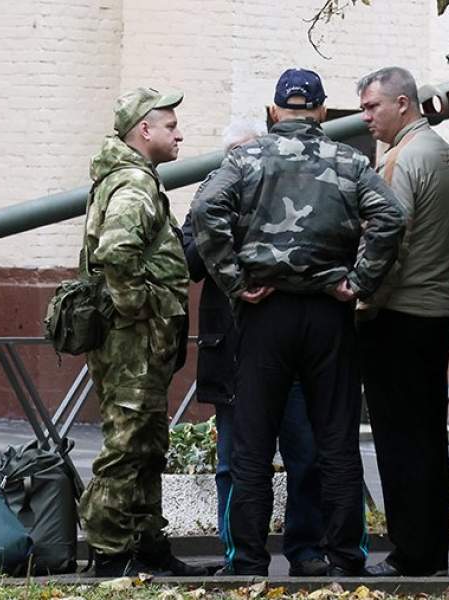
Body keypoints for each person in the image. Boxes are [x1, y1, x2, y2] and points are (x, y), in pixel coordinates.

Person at [190, 68, 406, 576]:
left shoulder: (246, 158)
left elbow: (205, 209)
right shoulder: (349, 160)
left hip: (264, 312)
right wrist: (359, 280)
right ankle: (345, 558)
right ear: (322, 111)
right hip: (329, 312)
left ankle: (247, 561)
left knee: (251, 443)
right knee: (336, 440)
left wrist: (234, 279)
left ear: (273, 112)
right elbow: (391, 218)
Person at [181, 117, 326, 577]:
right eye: (235, 156)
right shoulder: (210, 194)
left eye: (250, 153)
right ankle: (238, 555)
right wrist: (223, 223)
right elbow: (189, 260)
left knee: (304, 454)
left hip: (287, 343)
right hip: (231, 348)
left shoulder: (285, 189)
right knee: (233, 462)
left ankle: (306, 550)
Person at [77, 87, 206, 578]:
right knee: (127, 445)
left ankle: (149, 545)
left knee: (149, 445)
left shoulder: (135, 178)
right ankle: (110, 553)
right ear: (144, 130)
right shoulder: (133, 184)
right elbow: (116, 251)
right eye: (170, 126)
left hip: (140, 342)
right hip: (132, 342)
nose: (179, 135)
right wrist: (140, 309)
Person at [356, 66, 449, 577]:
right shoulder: (447, 155)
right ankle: (431, 552)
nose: (366, 117)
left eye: (372, 106)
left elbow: (389, 243)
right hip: (438, 311)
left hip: (398, 315)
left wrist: (363, 301)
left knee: (399, 440)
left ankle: (409, 555)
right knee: (427, 435)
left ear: (402, 103)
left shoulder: (402, 158)